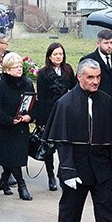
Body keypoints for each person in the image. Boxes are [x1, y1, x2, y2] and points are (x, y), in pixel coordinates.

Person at [44, 58, 112, 222]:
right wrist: (68, 170)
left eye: (98, 77)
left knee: (107, 210)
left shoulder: (106, 101)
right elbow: (62, 143)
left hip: (101, 166)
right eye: (90, 77)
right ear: (79, 77)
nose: (95, 81)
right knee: (71, 210)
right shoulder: (65, 103)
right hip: (75, 165)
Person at [81, 29, 112, 187]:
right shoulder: (89, 60)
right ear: (98, 43)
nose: (109, 46)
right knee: (99, 140)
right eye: (106, 43)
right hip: (96, 107)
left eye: (111, 43)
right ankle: (98, 172)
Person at [0, 52, 36, 201]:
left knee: (16, 157)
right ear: (8, 69)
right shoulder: (1, 85)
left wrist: (30, 116)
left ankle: (4, 180)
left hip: (21, 127)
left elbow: (34, 103)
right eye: (15, 67)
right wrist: (9, 120)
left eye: (20, 66)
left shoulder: (27, 83)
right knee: (13, 158)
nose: (19, 69)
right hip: (5, 128)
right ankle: (22, 187)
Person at [36, 43, 77, 191]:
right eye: (55, 54)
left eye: (61, 54)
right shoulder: (43, 73)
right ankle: (50, 175)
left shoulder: (67, 70)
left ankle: (64, 173)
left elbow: (74, 88)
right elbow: (41, 97)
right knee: (49, 147)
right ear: (49, 56)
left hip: (66, 112)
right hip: (49, 113)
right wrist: (41, 120)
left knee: (65, 145)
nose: (58, 57)